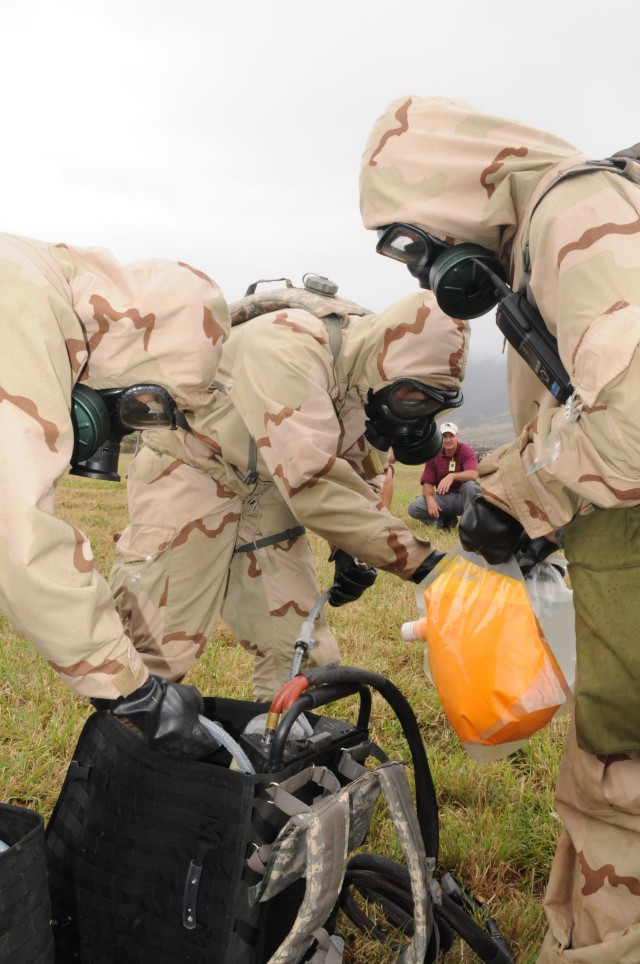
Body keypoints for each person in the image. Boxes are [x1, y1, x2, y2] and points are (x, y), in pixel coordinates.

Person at [360, 95, 640, 961]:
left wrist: (514, 499)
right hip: (611, 571)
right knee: (603, 790)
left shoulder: (572, 213)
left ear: (446, 184)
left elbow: (630, 424)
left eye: (413, 242)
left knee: (619, 790)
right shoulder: (555, 232)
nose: (421, 272)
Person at [109, 278, 467, 699]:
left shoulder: (370, 380)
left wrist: (351, 548)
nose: (416, 417)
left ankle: (282, 748)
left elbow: (355, 465)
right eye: (414, 400)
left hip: (266, 484)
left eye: (431, 408)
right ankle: (126, 749)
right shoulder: (288, 347)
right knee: (155, 654)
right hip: (192, 466)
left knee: (302, 655)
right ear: (389, 358)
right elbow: (313, 485)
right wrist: (429, 566)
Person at [0, 232, 230, 759]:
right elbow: (18, 538)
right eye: (138, 408)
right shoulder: (23, 304)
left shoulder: (34, 280)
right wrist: (135, 693)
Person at [407, 421, 480, 530]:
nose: (448, 440)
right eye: (444, 436)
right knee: (414, 508)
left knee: (470, 485)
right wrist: (429, 498)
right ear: (440, 438)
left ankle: (470, 524)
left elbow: (473, 474)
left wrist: (452, 476)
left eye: (451, 436)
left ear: (458, 437)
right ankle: (445, 522)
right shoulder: (433, 454)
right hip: (443, 499)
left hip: (463, 498)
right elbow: (427, 482)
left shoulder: (466, 450)